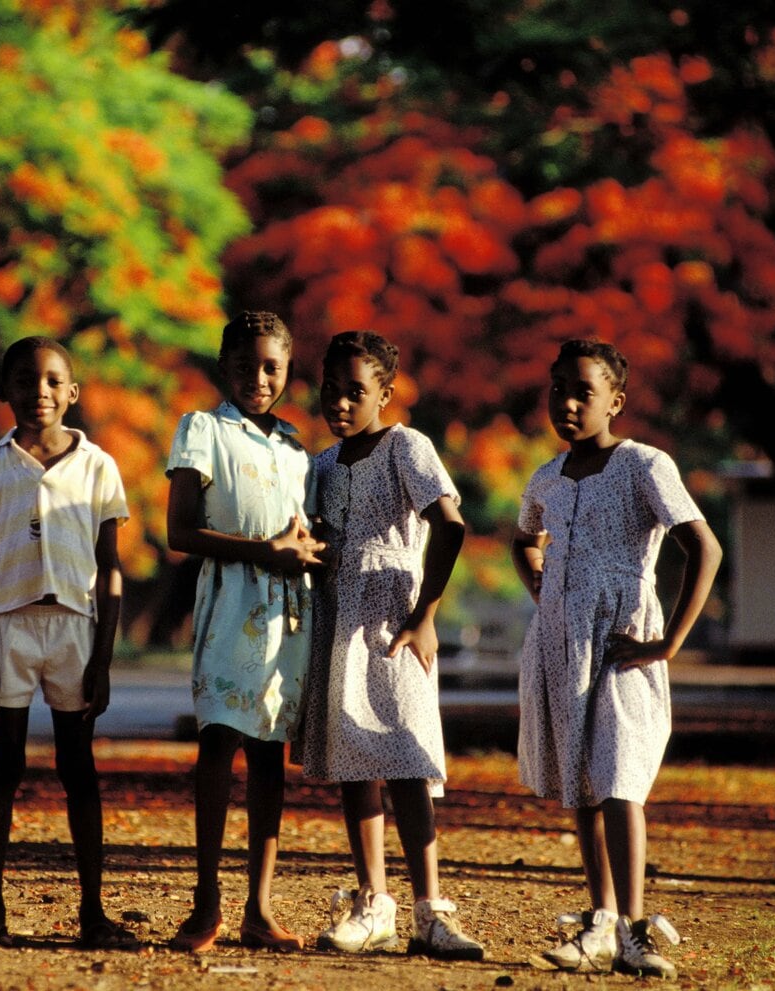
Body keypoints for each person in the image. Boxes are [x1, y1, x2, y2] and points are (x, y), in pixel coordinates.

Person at [511, 338, 722, 979]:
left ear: (616, 403)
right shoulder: (546, 476)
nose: (566, 402)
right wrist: (546, 594)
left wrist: (669, 642)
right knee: (582, 784)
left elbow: (703, 549)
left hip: (623, 646)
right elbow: (524, 540)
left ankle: (635, 929)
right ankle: (600, 921)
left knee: (621, 780)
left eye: (583, 392)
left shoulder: (644, 467)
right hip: (559, 645)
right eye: (557, 388)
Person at [298, 330, 485, 961]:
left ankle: (431, 911)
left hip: (392, 619)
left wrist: (425, 613)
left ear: (386, 392)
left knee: (406, 757)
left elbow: (451, 524)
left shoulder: (407, 446)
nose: (342, 403)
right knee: (355, 759)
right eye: (331, 390)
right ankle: (373, 902)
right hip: (335, 618)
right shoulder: (321, 465)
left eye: (357, 391)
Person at [0, 335, 139, 951]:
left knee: (78, 767)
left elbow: (110, 565)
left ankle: (93, 911)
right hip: (8, 624)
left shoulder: (98, 466)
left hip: (74, 628)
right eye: (26, 380)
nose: (39, 390)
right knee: (3, 764)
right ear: (2, 391)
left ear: (72, 392)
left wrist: (105, 659)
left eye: (53, 380)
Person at [163, 310, 325, 954]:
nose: (258, 377)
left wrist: (309, 553)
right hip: (231, 604)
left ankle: (260, 907)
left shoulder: (295, 446)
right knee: (218, 743)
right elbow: (180, 533)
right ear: (222, 366)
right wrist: (266, 552)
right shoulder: (202, 429)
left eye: (272, 367)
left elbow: (302, 532)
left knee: (269, 755)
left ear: (287, 371)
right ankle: (207, 904)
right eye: (245, 365)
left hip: (291, 614)